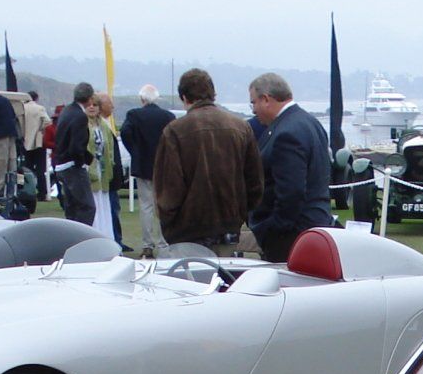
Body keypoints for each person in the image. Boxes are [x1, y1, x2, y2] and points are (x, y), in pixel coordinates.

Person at [152, 68, 262, 252]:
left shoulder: (175, 131)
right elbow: (255, 183)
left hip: (187, 231)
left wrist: (170, 224)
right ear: (213, 95)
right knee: (225, 277)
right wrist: (240, 213)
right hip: (229, 227)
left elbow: (169, 189)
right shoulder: (241, 128)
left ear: (184, 97)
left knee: (193, 280)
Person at [246, 73, 334, 264]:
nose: (253, 110)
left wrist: (272, 229)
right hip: (314, 225)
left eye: (253, 103)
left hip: (291, 236)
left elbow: (291, 192)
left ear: (266, 99)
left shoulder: (286, 133)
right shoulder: (310, 123)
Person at [120, 85, 174, 255]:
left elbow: (125, 133)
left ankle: (147, 244)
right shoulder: (168, 116)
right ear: (156, 98)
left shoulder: (134, 115)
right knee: (164, 206)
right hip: (164, 166)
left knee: (146, 206)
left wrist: (135, 152)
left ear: (142, 99)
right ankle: (163, 243)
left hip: (142, 165)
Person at [52, 82, 97, 224]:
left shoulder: (66, 111)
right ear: (89, 98)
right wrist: (84, 160)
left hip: (61, 164)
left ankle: (71, 238)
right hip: (72, 166)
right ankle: (82, 239)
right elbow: (77, 146)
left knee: (71, 207)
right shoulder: (80, 117)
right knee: (87, 207)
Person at [90, 93, 128, 245]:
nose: (112, 107)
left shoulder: (105, 125)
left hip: (107, 175)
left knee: (110, 209)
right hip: (97, 175)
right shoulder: (94, 126)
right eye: (109, 103)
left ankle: (114, 239)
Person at [20, 89, 51, 195]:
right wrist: (40, 129)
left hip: (25, 140)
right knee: (40, 169)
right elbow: (47, 121)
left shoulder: (21, 108)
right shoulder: (40, 108)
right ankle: (42, 192)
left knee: (25, 168)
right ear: (36, 98)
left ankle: (27, 190)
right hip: (38, 141)